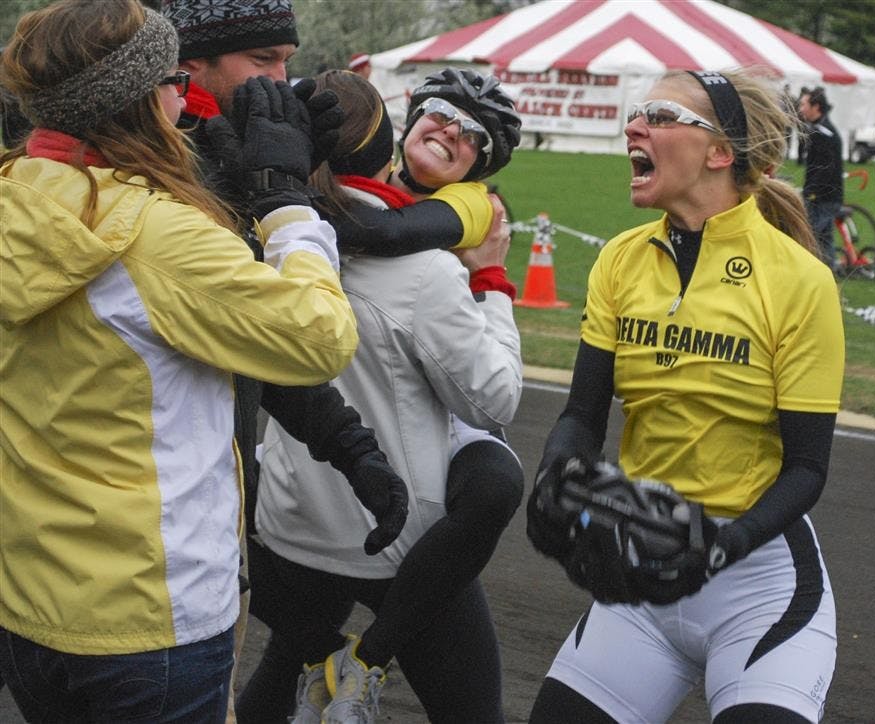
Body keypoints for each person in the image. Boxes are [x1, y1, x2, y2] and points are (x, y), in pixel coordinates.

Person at [0, 0, 359, 721]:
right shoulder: (158, 235)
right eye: (172, 81)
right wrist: (288, 205)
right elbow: (320, 337)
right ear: (139, 100)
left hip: (30, 603)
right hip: (152, 617)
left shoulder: (15, 196)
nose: (183, 97)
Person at [526, 69, 845, 723]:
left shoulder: (799, 280)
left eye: (662, 114)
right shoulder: (620, 259)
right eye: (637, 111)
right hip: (646, 581)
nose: (634, 125)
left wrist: (722, 547)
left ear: (720, 152)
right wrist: (554, 478)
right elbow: (582, 415)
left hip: (760, 588)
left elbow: (807, 470)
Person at [239, 68, 524, 723]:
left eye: (471, 134)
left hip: (291, 529)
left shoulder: (277, 229)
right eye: (442, 117)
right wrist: (493, 284)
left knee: (284, 671)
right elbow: (495, 401)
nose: (451, 132)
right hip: (395, 540)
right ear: (402, 126)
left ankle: (337, 662)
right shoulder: (430, 269)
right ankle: (365, 665)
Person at [798, 86, 844, 270]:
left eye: (803, 104)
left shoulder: (824, 133)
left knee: (810, 239)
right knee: (824, 241)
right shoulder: (819, 129)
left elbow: (826, 169)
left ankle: (818, 278)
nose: (800, 109)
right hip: (824, 196)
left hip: (823, 198)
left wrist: (809, 192)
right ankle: (829, 276)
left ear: (815, 107)